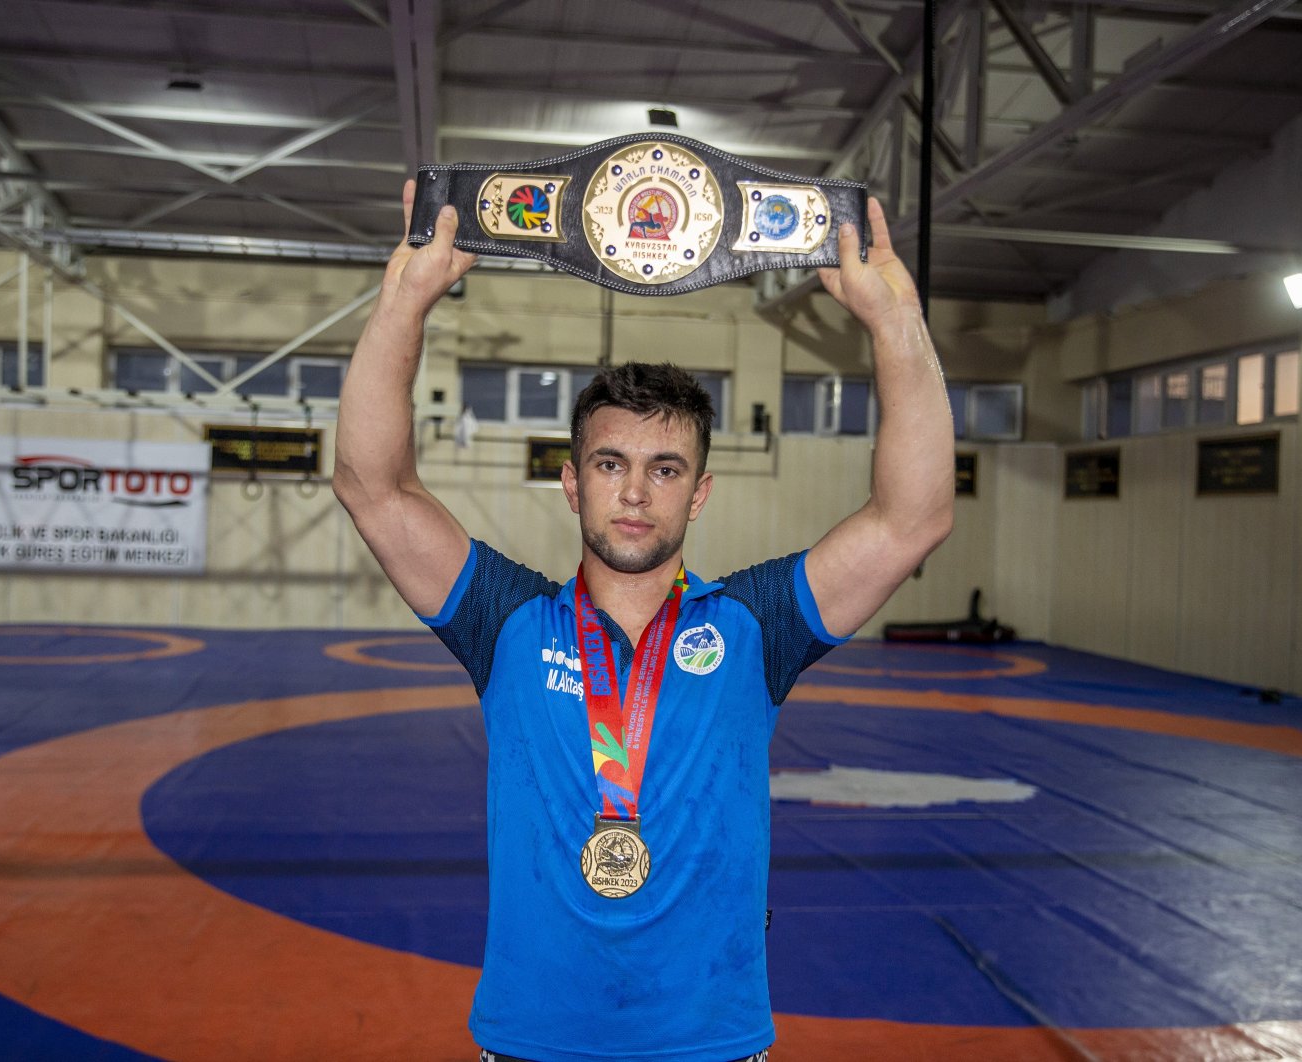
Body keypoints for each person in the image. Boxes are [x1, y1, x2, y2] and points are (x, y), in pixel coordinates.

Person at [334, 180, 955, 1062]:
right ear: (571, 480)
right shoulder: (503, 621)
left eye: (665, 469)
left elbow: (913, 519)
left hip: (709, 1043)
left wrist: (897, 323)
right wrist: (404, 298)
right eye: (610, 463)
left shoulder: (755, 628)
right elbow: (373, 488)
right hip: (532, 1044)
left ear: (699, 494)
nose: (633, 491)